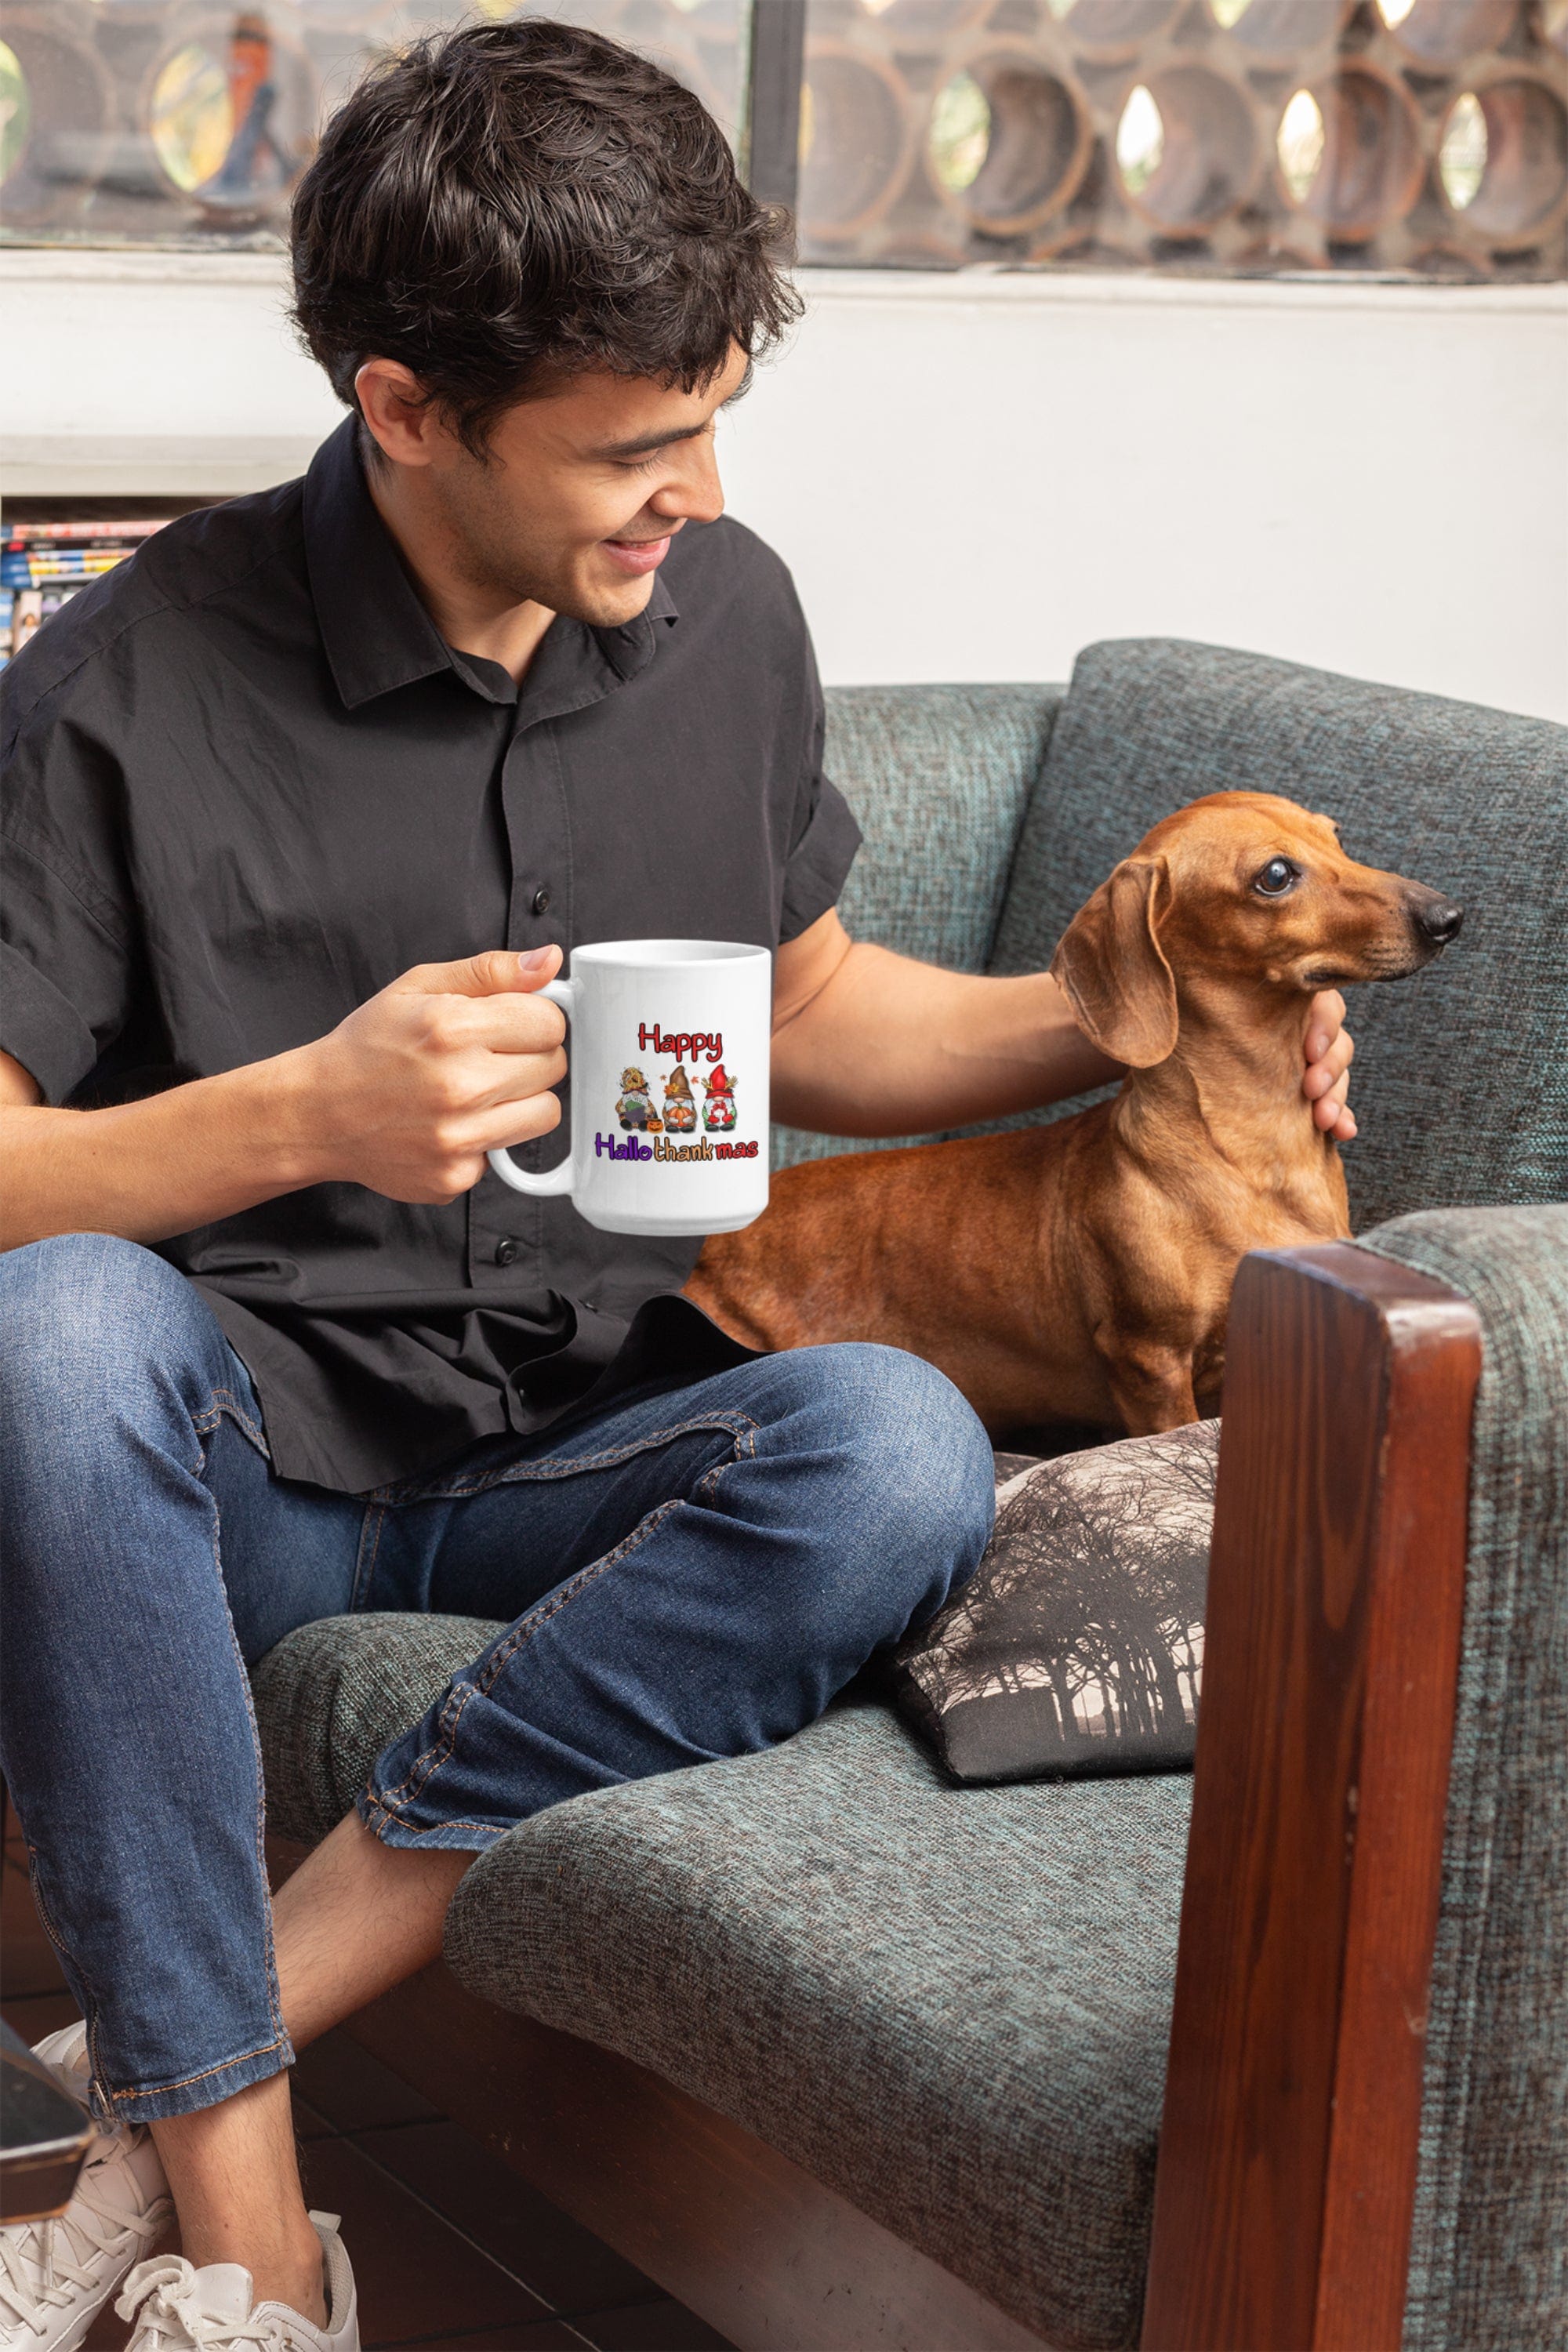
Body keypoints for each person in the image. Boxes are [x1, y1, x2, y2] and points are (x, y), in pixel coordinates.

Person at [0, 20, 1356, 2349]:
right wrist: (304, 1114)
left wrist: (1154, 1017)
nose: (697, 492)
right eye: (637, 444)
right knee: (47, 1342)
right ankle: (247, 2245)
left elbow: (815, 1005)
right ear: (406, 408)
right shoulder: (133, 674)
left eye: (715, 419)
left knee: (897, 1445)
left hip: (590, 1436)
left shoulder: (722, 622)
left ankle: (229, 2011)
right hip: (242, 1455)